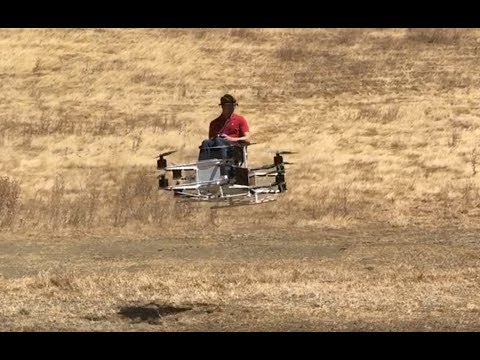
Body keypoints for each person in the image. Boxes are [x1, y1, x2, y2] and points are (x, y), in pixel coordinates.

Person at [198, 94, 250, 161]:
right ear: (223, 107)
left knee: (218, 141)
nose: (232, 108)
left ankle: (223, 165)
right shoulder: (214, 123)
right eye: (229, 106)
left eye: (233, 106)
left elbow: (247, 138)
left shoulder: (240, 119)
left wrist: (231, 139)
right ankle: (204, 166)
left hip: (234, 150)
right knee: (206, 143)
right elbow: (211, 140)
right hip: (217, 150)